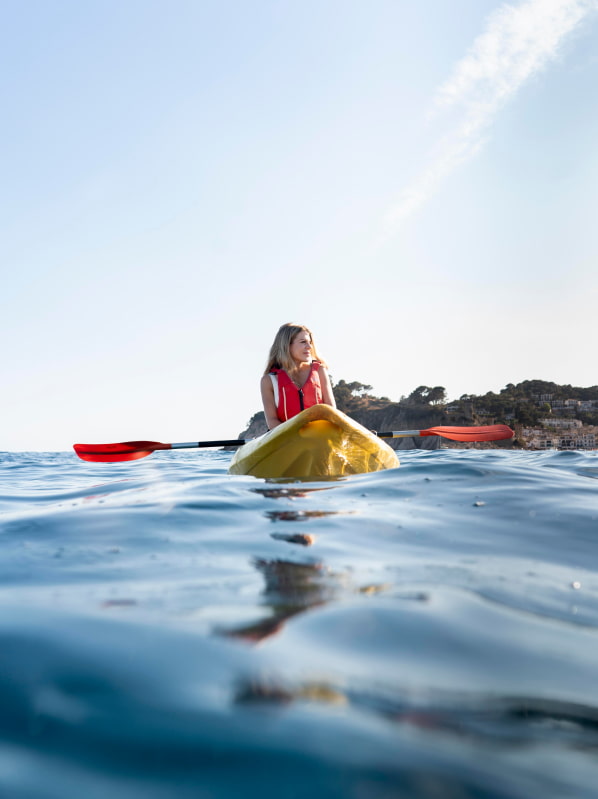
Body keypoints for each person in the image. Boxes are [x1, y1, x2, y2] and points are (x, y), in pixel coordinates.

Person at [261, 323, 336, 430]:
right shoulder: (269, 380)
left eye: (310, 342)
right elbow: (272, 420)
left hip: (319, 438)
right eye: (303, 342)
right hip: (287, 440)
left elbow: (331, 410)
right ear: (287, 345)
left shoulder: (320, 371)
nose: (309, 347)